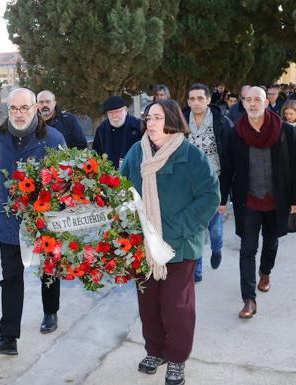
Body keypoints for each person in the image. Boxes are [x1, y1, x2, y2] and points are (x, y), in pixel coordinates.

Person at [121, 99, 219, 385]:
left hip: (179, 245)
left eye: (158, 118)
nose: (150, 123)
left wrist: (175, 228)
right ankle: (155, 350)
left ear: (173, 121)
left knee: (176, 306)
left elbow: (210, 196)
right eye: (148, 118)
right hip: (142, 246)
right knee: (148, 303)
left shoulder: (190, 155)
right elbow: (121, 190)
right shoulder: (135, 154)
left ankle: (176, 358)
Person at [0, 88, 66, 355]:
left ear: (35, 108)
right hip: (8, 220)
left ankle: (50, 312)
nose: (18, 113)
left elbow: (63, 181)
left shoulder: (52, 138)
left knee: (49, 269)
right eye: (13, 108)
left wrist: (57, 212)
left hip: (43, 219)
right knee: (11, 277)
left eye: (24, 108)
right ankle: (8, 338)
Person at [219, 86, 296, 319]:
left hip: (277, 200)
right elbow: (227, 168)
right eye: (248, 100)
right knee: (247, 249)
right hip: (248, 200)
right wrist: (222, 197)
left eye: (258, 99)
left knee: (271, 242)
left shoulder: (285, 131)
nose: (253, 104)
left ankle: (265, 272)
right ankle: (249, 299)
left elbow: (295, 166)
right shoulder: (235, 133)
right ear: (243, 104)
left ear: (267, 103)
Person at [183, 83, 233, 282]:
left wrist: (226, 190)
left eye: (200, 98)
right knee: (195, 230)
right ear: (188, 101)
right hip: (189, 184)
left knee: (214, 228)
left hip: (214, 183)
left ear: (208, 100)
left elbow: (229, 158)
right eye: (192, 99)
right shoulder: (181, 122)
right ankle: (197, 271)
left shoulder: (222, 122)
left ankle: (217, 248)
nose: (196, 102)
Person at [93, 95, 142, 168]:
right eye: (110, 113)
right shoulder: (101, 129)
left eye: (117, 112)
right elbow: (97, 153)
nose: (114, 116)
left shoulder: (138, 126)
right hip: (109, 174)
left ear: (125, 110)